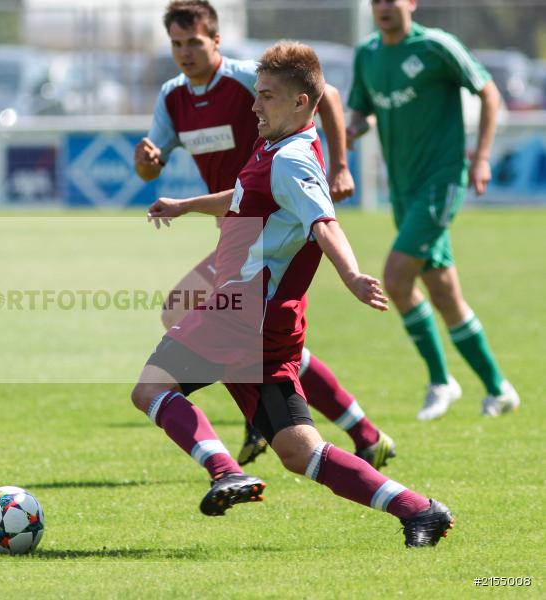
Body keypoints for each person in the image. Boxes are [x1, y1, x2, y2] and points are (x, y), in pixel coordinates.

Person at [134, 40, 454, 547]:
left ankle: (225, 472)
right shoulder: (277, 145)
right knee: (298, 450)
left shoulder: (293, 161)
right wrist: (187, 205)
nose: (254, 105)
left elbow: (324, 224)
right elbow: (244, 197)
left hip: (243, 315)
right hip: (266, 325)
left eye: (265, 96)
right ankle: (419, 509)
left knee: (152, 389)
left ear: (300, 101)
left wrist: (350, 275)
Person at [135, 0, 395, 469]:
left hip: (266, 234)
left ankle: (277, 433)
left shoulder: (247, 82)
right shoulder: (172, 96)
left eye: (194, 42)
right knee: (257, 337)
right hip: (235, 232)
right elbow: (148, 169)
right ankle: (360, 430)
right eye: (176, 44)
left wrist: (339, 166)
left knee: (202, 318)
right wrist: (149, 162)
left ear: (215, 40)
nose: (185, 53)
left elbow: (326, 95)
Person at [346, 0, 519, 420]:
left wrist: (480, 157)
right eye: (377, 1)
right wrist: (346, 131)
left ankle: (441, 381)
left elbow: (488, 91)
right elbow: (362, 111)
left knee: (395, 278)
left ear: (411, 2)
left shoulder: (437, 46)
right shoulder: (367, 54)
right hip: (402, 192)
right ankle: (499, 389)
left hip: (441, 182)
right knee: (443, 292)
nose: (384, 7)